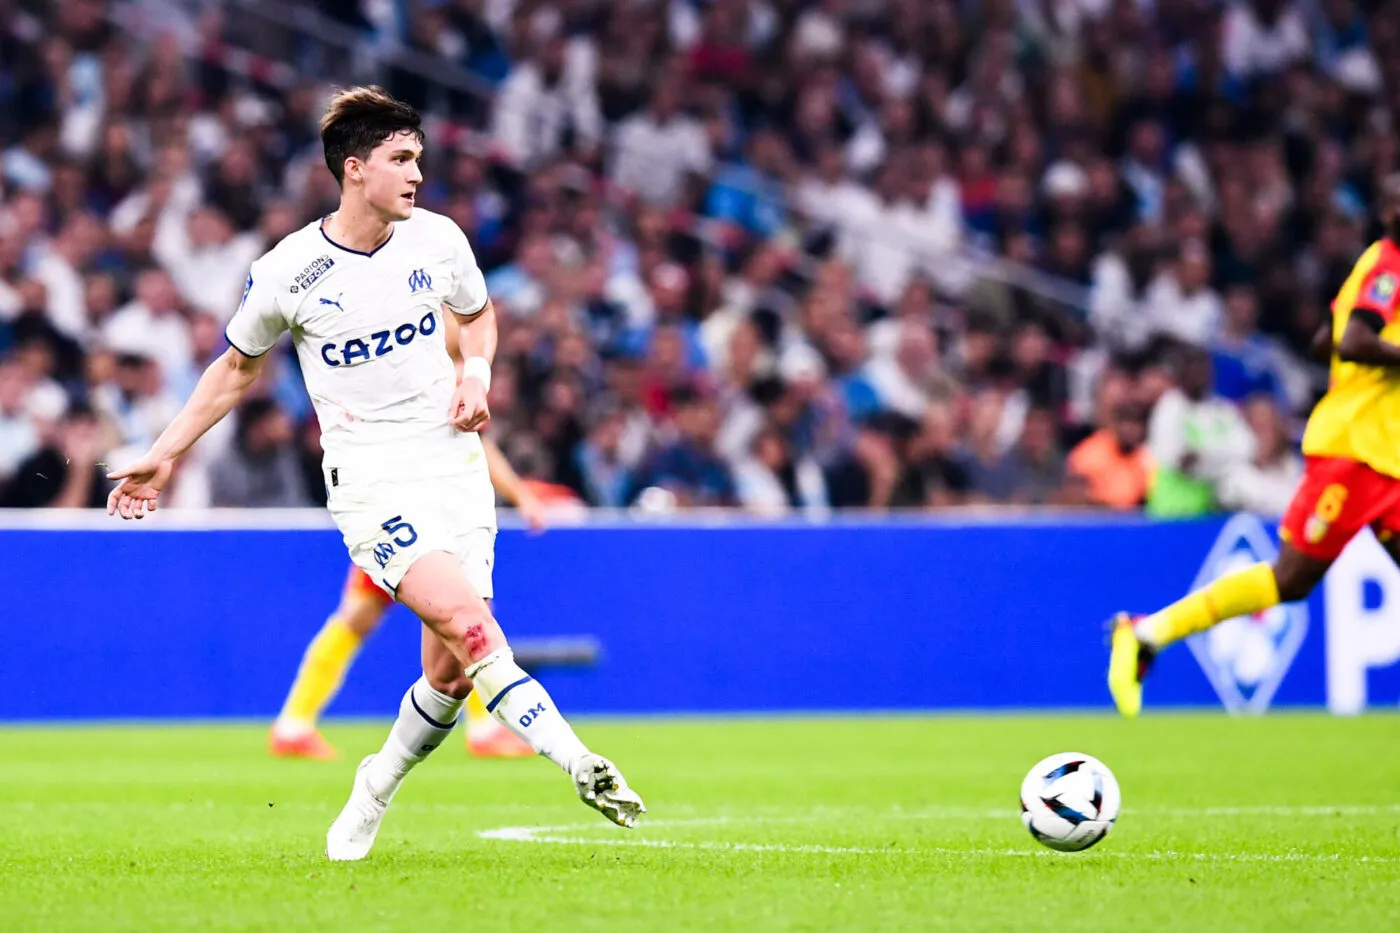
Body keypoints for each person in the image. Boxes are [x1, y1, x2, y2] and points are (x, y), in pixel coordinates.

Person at [105, 87, 645, 860]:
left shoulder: (439, 241)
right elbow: (234, 369)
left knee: (452, 675)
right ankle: (579, 761)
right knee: (473, 627)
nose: (417, 173)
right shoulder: (290, 270)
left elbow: (479, 313)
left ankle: (375, 783)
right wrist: (165, 449)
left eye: (419, 158)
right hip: (371, 482)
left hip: (453, 469)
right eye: (400, 159)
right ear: (353, 169)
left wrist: (478, 373)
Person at [1109, 174, 1400, 718]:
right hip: (1355, 454)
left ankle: (1146, 634)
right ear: (1388, 214)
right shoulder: (1389, 265)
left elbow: (1325, 339)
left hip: (1386, 455)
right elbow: (1354, 340)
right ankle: (1146, 633)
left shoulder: (1376, 267)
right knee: (1288, 579)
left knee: (1289, 581)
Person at [268, 435, 547, 761]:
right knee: (463, 609)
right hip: (418, 509)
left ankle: (294, 724)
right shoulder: (451, 385)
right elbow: (475, 440)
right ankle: (484, 729)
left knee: (365, 615)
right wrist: (521, 496)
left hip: (402, 505)